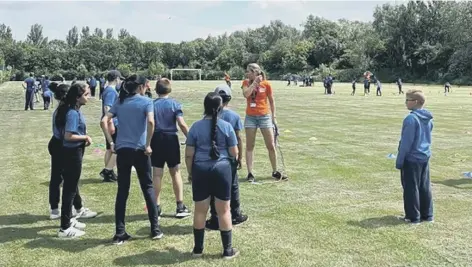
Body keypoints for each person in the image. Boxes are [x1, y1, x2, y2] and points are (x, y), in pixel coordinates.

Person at [101, 74, 163, 244]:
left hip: (123, 150)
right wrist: (148, 144)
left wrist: (111, 142)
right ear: (141, 87)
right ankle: (155, 229)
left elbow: (104, 120)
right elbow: (151, 122)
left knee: (122, 191)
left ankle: (120, 232)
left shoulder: (120, 102)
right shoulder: (146, 102)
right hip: (140, 150)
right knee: (148, 188)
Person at [185, 92, 239, 259]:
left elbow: (188, 155)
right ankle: (227, 250)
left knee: (200, 211)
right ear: (221, 107)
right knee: (224, 211)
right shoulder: (226, 126)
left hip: (200, 169)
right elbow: (234, 152)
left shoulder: (195, 127)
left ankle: (198, 249)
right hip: (222, 169)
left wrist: (190, 172)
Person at [48, 82, 97, 221]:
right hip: (61, 146)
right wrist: (84, 137)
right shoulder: (68, 112)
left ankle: (73, 208)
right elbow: (67, 135)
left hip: (60, 144)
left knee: (68, 180)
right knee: (65, 180)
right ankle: (64, 212)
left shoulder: (65, 110)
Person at [206, 84, 248, 230]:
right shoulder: (234, 116)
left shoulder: (208, 115)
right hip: (229, 157)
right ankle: (235, 213)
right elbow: (239, 139)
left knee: (212, 188)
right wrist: (240, 157)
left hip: (212, 157)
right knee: (233, 186)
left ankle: (215, 216)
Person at [55, 83, 93, 238]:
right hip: (72, 153)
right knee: (70, 190)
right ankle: (64, 228)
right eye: (86, 94)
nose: (88, 97)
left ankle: (70, 220)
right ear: (77, 98)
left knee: (72, 186)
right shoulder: (72, 113)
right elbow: (68, 136)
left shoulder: (74, 110)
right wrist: (85, 137)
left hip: (74, 151)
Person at [151, 78, 191, 218]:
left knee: (157, 174)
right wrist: (190, 138)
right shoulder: (174, 104)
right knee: (175, 172)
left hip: (156, 139)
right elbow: (182, 124)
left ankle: (155, 207)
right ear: (170, 89)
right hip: (170, 139)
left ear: (156, 90)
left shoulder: (151, 104)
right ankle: (180, 206)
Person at [241, 63, 286, 182]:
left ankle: (275, 171)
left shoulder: (266, 84)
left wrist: (273, 116)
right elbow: (246, 94)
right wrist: (254, 83)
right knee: (250, 146)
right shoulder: (246, 83)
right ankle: (250, 173)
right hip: (250, 117)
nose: (247, 73)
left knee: (271, 145)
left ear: (255, 72)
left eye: (249, 71)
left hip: (264, 116)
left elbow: (272, 101)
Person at [396, 89, 433, 224]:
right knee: (424, 186)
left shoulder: (411, 119)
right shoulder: (428, 118)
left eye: (407, 100)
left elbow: (406, 143)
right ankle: (427, 215)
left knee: (411, 188)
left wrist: (400, 161)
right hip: (424, 156)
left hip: (411, 158)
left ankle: (413, 217)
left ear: (415, 102)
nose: (405, 103)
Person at [99, 70, 124, 182]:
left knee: (110, 148)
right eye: (120, 79)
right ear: (116, 79)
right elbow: (107, 108)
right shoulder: (111, 91)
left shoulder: (108, 90)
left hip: (110, 122)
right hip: (113, 123)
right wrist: (111, 123)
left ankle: (108, 172)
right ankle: (107, 170)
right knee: (116, 148)